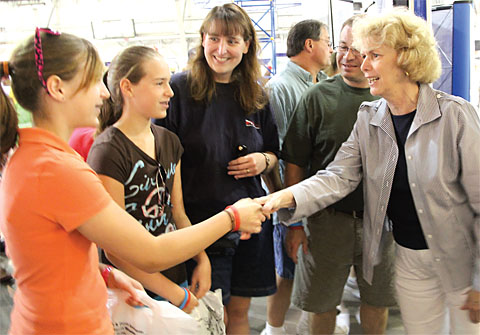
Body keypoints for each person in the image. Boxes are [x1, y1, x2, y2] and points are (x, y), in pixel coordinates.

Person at [0, 28, 265, 334]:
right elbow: (150, 253)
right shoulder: (55, 169)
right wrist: (232, 218)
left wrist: (103, 274)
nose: (103, 92)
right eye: (92, 82)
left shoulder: (32, 157)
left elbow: (48, 258)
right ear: (57, 88)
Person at [259, 9, 480, 335]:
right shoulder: (370, 118)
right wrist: (284, 198)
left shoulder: (456, 116)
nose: (362, 65)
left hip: (461, 261)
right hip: (407, 259)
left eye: (374, 56)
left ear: (406, 59)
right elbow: (338, 176)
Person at [154, 3, 279, 333]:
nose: (222, 50)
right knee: (208, 317)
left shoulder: (256, 94)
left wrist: (263, 161)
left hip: (251, 225)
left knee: (239, 312)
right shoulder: (178, 91)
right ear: (202, 40)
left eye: (232, 41)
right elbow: (163, 164)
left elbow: (274, 152)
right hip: (199, 226)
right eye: (214, 39)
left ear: (247, 46)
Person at [281, 15, 396, 335]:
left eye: (357, 50)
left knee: (377, 300)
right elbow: (295, 162)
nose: (347, 57)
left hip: (382, 223)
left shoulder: (390, 96)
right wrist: (294, 223)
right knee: (322, 304)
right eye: (342, 47)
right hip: (327, 222)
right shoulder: (316, 98)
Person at [87, 45, 210, 313]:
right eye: (159, 83)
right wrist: (175, 294)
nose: (170, 92)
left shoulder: (169, 141)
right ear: (128, 88)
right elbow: (114, 248)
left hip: (174, 274)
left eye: (168, 81)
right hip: (133, 289)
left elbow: (178, 213)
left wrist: (201, 259)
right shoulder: (108, 150)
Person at [261, 19, 330, 335]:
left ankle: (307, 323)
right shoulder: (281, 89)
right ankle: (273, 330)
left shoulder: (324, 84)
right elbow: (280, 156)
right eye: (328, 41)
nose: (331, 49)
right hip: (294, 204)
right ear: (310, 45)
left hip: (324, 199)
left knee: (316, 270)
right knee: (287, 272)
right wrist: (289, 215)